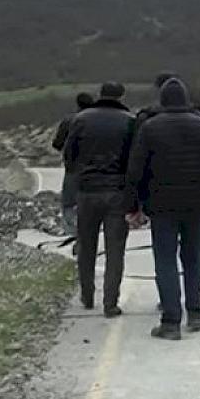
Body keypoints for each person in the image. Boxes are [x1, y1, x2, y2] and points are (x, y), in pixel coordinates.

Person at [127, 78, 200, 340]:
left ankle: (171, 321)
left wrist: (133, 206)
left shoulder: (150, 128)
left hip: (162, 205)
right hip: (198, 205)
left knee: (165, 260)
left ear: (162, 101)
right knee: (193, 258)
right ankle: (196, 311)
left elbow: (136, 171)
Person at [64, 83, 135, 317]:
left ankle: (87, 294)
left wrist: (80, 175)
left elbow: (69, 156)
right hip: (117, 191)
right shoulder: (129, 120)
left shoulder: (81, 119)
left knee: (86, 245)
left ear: (100, 95)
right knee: (115, 249)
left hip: (86, 190)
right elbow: (134, 158)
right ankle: (110, 302)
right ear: (121, 96)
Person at [53, 92, 95, 251]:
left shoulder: (69, 120)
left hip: (73, 169)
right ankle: (89, 234)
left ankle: (78, 234)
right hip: (96, 169)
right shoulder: (98, 121)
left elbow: (57, 144)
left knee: (69, 204)